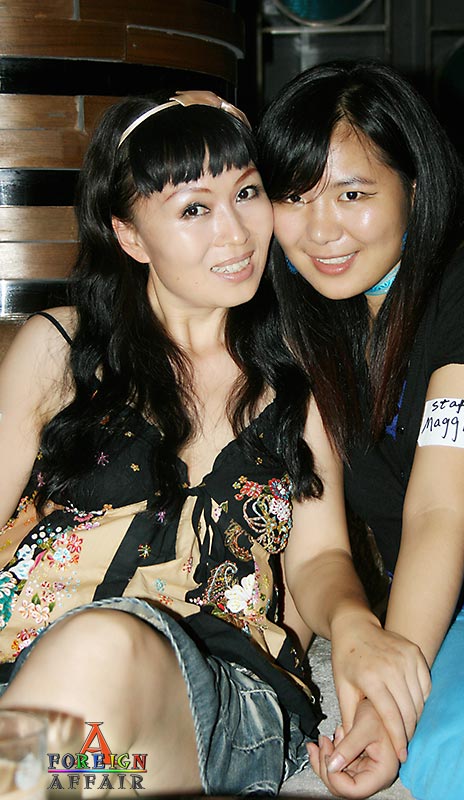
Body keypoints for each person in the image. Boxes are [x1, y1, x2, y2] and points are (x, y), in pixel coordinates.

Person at [0, 94, 425, 797]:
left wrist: (354, 624)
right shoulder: (60, 348)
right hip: (56, 715)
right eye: (194, 208)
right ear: (130, 236)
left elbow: (319, 556)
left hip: (220, 704)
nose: (235, 233)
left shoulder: (300, 372)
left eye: (247, 193)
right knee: (67, 770)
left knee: (101, 643)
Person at [252, 59, 464, 800]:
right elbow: (314, 538)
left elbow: (439, 508)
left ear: (413, 185)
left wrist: (383, 700)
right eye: (293, 197)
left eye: (352, 194)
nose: (321, 230)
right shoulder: (306, 328)